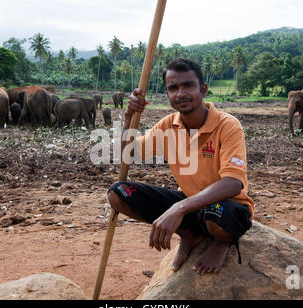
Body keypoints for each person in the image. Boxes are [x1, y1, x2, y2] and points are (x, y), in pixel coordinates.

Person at [108, 58, 254, 274]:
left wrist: (179, 208)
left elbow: (233, 184)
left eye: (188, 85)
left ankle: (223, 242)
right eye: (173, 88)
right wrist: (129, 117)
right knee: (118, 193)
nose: (180, 93)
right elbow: (128, 156)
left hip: (225, 207)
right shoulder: (168, 125)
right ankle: (188, 233)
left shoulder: (228, 125)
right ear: (167, 94)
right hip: (192, 205)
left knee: (217, 216)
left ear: (203, 89)